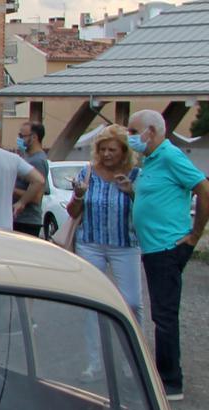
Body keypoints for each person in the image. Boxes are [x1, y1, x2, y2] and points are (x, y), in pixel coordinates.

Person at [127, 109, 209, 401]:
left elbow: (203, 188)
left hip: (167, 247)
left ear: (152, 131)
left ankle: (171, 381)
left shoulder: (170, 156)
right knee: (161, 313)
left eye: (134, 132)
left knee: (164, 315)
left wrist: (194, 235)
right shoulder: (151, 160)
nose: (131, 137)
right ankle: (165, 375)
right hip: (154, 247)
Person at [65, 124, 143, 379]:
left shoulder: (135, 175)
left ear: (124, 152)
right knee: (92, 302)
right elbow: (73, 212)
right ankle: (94, 361)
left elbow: (146, 212)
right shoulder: (88, 173)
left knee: (131, 302)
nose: (107, 154)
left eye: (113, 150)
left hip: (125, 244)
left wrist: (132, 194)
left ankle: (133, 361)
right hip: (91, 242)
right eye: (103, 149)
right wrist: (78, 195)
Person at [13, 121, 50, 238]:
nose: (18, 139)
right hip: (18, 218)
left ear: (34, 137)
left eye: (21, 136)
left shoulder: (38, 161)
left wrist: (11, 189)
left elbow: (36, 197)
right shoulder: (27, 157)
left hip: (27, 221)